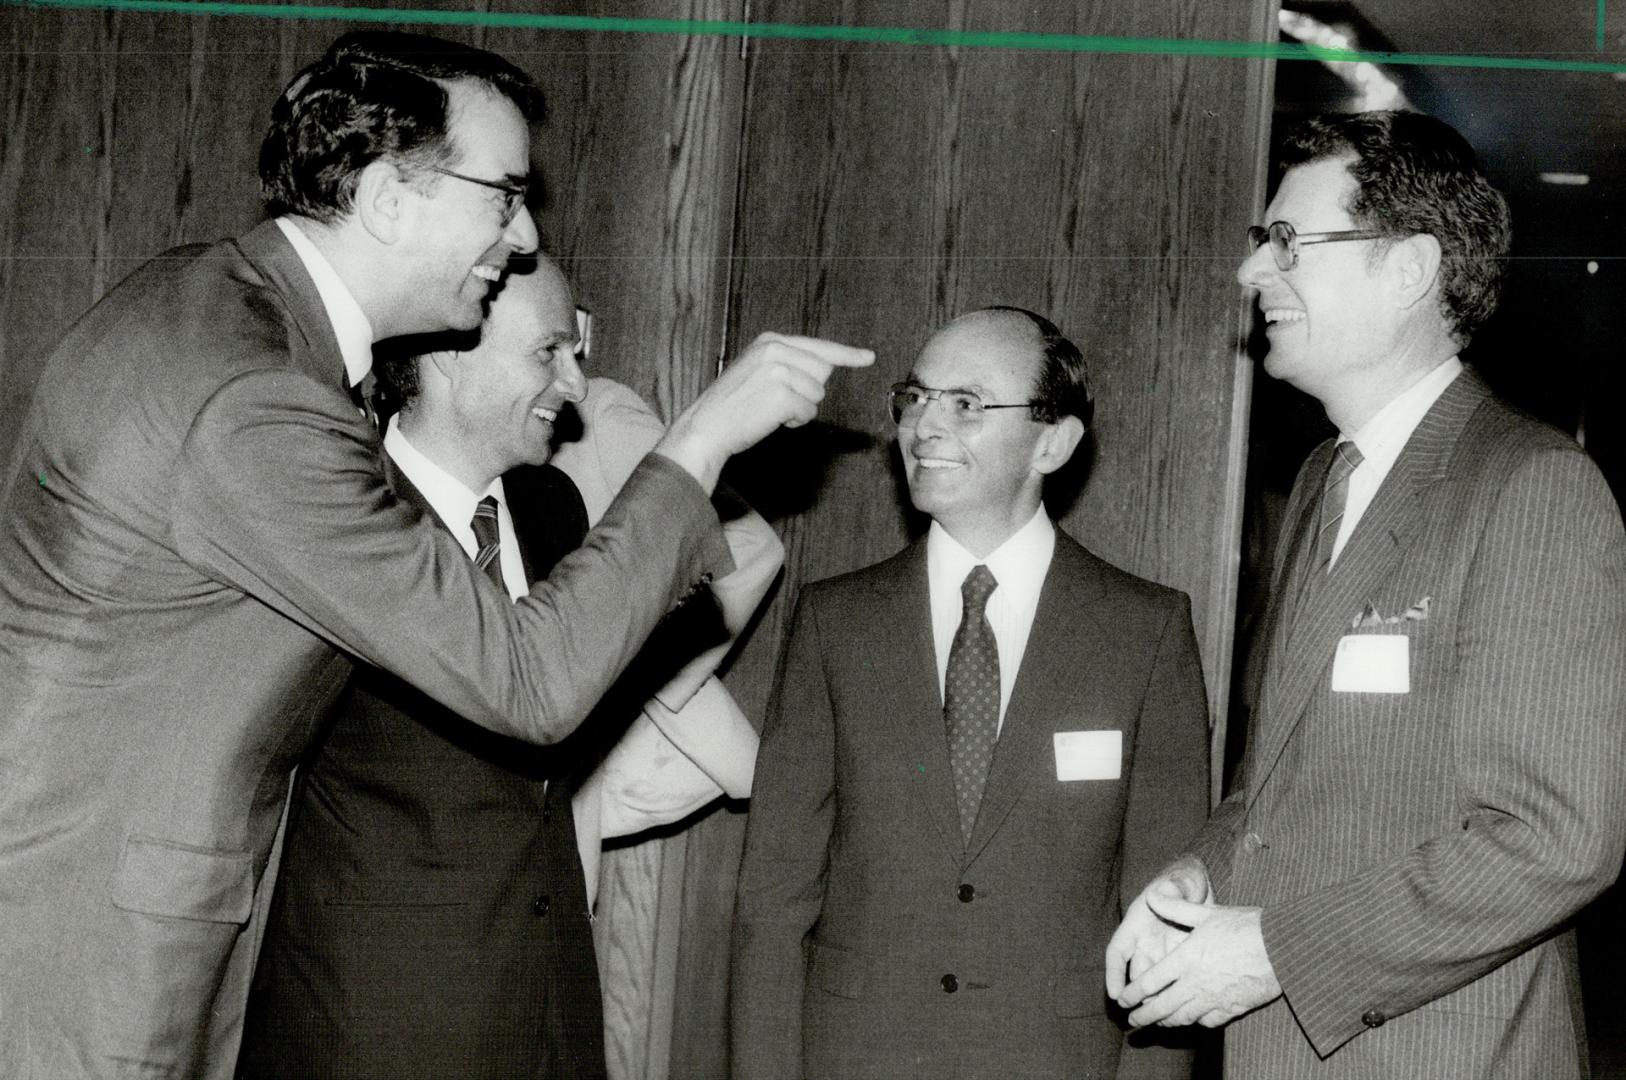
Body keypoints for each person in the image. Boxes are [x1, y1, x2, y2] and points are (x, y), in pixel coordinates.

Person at [0, 30, 868, 1079]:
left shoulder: (211, 302)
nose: (524, 232)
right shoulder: (258, 400)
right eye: (502, 194)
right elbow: (531, 682)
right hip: (92, 958)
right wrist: (698, 441)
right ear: (386, 198)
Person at [1108, 111, 1626, 1079]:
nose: (1251, 271)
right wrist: (1199, 873)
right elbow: (1280, 790)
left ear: (1408, 269)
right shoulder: (1322, 481)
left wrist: (1274, 952)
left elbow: (1562, 837)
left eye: (1287, 243)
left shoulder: (1532, 489)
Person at [239, 259, 778, 1079]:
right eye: (549, 351)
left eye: (577, 350)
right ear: (449, 352)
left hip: (549, 1012)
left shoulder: (555, 512)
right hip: (376, 1025)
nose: (576, 380)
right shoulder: (341, 517)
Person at [731, 307, 1210, 1079]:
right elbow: (772, 903)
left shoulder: (1143, 632)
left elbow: (1165, 919)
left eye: (966, 404)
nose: (924, 426)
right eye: (915, 398)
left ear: (1053, 442)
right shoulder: (835, 623)